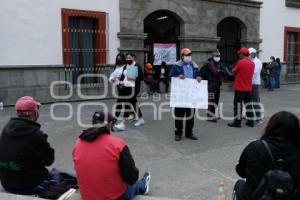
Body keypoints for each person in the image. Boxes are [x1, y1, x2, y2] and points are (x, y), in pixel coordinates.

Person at [0, 96, 77, 199]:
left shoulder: (6, 130)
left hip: (7, 183)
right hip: (27, 185)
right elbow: (49, 160)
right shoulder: (36, 134)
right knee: (67, 178)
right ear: (34, 113)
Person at [73, 110, 151, 200]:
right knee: (132, 184)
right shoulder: (117, 144)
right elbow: (132, 178)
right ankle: (142, 186)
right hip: (115, 197)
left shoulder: (78, 142)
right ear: (110, 124)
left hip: (87, 196)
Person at [233, 111, 300, 200]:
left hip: (256, 195)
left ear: (270, 127)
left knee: (239, 184)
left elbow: (240, 171)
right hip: (287, 196)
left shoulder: (255, 146)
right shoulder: (297, 151)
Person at [169, 48, 201, 141]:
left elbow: (198, 76)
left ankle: (189, 133)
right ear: (182, 56)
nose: (188, 57)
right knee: (179, 114)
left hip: (191, 95)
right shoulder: (176, 66)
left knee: (190, 115)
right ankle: (178, 133)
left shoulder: (195, 66)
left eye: (189, 55)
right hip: (180, 94)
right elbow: (170, 76)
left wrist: (199, 77)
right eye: (186, 55)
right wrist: (177, 77)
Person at [228, 48, 255, 128]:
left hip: (240, 88)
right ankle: (251, 122)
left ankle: (237, 123)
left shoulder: (240, 62)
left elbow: (234, 71)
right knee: (249, 105)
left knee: (238, 105)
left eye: (240, 53)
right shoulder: (252, 63)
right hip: (248, 88)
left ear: (242, 54)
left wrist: (232, 69)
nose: (239, 55)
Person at [200, 49, 227, 122]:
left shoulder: (220, 63)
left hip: (217, 84)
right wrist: (220, 71)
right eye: (216, 55)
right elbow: (214, 71)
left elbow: (225, 72)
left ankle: (213, 114)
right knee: (211, 100)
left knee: (215, 100)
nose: (218, 57)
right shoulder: (210, 63)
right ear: (213, 56)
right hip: (211, 84)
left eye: (219, 55)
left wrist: (220, 71)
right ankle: (209, 116)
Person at [109, 53, 132, 131]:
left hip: (128, 88)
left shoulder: (129, 66)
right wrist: (114, 79)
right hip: (120, 89)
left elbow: (132, 79)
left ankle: (123, 124)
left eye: (120, 58)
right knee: (119, 104)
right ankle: (114, 120)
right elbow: (111, 76)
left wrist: (120, 81)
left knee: (127, 105)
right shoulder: (116, 67)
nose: (119, 59)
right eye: (117, 58)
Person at [127, 53, 145, 127]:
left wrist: (133, 78)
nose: (128, 58)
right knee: (131, 101)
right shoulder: (129, 66)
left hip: (135, 87)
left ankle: (140, 118)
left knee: (133, 101)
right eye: (127, 57)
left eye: (130, 57)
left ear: (134, 58)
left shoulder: (136, 66)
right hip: (129, 86)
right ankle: (134, 115)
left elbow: (141, 77)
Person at [248, 47, 263, 124]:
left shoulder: (257, 62)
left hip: (254, 83)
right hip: (249, 83)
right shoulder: (250, 61)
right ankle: (249, 114)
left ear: (254, 54)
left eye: (250, 54)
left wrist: (247, 77)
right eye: (248, 54)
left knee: (256, 100)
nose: (249, 55)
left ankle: (258, 117)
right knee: (248, 100)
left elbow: (255, 72)